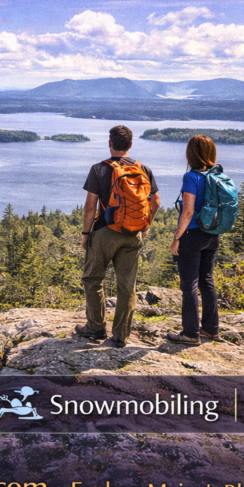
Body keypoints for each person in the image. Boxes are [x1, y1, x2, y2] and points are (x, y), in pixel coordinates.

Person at [76, 125, 160, 348]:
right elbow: (156, 202)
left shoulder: (98, 169)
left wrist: (86, 234)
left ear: (109, 144)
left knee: (93, 279)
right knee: (127, 286)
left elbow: (90, 206)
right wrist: (145, 225)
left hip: (105, 231)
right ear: (130, 145)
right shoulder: (144, 169)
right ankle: (121, 335)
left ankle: (95, 327)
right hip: (133, 235)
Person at [167, 134, 222, 346]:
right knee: (207, 280)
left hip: (193, 235)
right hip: (212, 233)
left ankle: (190, 333)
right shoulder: (216, 175)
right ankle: (211, 329)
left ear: (191, 154)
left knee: (189, 283)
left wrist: (176, 238)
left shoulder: (191, 177)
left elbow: (187, 212)